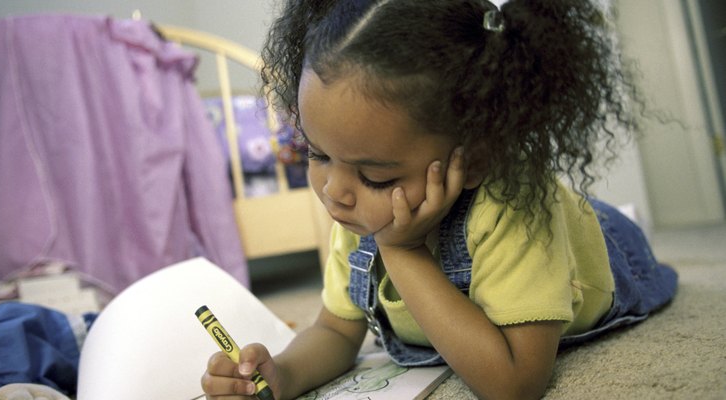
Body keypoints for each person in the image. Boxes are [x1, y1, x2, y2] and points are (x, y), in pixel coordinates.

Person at [201, 0, 678, 398]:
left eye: (374, 176)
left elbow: (515, 383)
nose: (334, 191)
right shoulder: (359, 209)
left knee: (603, 238)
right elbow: (335, 331)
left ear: (473, 161)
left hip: (610, 257)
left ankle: (600, 222)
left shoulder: (511, 213)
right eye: (318, 153)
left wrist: (401, 251)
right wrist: (280, 374)